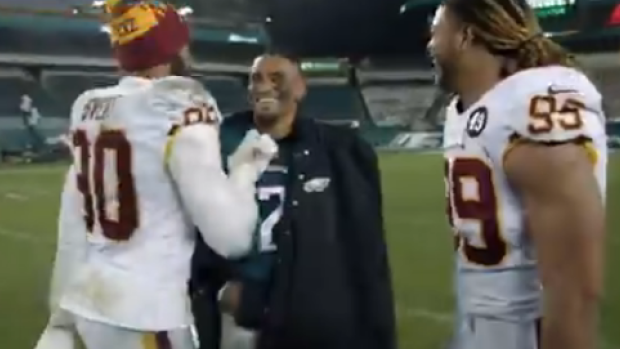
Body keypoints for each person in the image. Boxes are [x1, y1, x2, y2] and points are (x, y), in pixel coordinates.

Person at [33, 1, 278, 349]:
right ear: (171, 49)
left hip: (87, 299)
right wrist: (245, 170)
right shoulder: (178, 103)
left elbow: (73, 219)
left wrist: (59, 313)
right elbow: (232, 237)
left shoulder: (88, 106)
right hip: (144, 310)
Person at [429, 0, 607, 349]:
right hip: (482, 328)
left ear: (465, 37)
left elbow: (575, 292)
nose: (429, 45)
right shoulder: (468, 108)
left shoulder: (529, 105)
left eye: (436, 32)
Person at [190, 53, 397, 349]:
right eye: (256, 79)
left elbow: (365, 251)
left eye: (276, 78)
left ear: (301, 88)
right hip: (237, 317)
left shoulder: (342, 151)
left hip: (308, 317)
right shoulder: (219, 143)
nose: (263, 86)